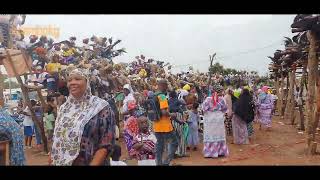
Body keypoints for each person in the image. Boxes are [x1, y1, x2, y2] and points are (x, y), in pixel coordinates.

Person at [50, 69, 116, 166]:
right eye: (69, 80)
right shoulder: (64, 108)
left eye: (77, 79)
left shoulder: (100, 107)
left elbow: (106, 144)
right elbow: (57, 140)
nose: (72, 83)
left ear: (87, 82)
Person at [153, 79, 178, 165]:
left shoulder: (153, 95)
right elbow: (164, 112)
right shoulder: (162, 96)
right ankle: (166, 162)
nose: (167, 88)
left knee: (160, 146)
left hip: (156, 125)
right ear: (163, 85)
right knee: (174, 142)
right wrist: (172, 114)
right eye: (166, 86)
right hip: (165, 126)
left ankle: (159, 163)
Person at [201, 85, 229, 158]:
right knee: (219, 135)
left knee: (210, 135)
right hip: (218, 119)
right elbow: (225, 109)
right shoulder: (222, 99)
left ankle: (210, 153)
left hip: (209, 119)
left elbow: (203, 109)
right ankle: (220, 152)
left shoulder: (207, 99)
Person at [168, 90, 188, 158]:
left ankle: (174, 152)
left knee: (174, 137)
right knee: (181, 136)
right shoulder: (178, 100)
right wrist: (180, 108)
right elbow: (184, 103)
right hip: (178, 116)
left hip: (171, 117)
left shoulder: (168, 101)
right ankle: (182, 152)